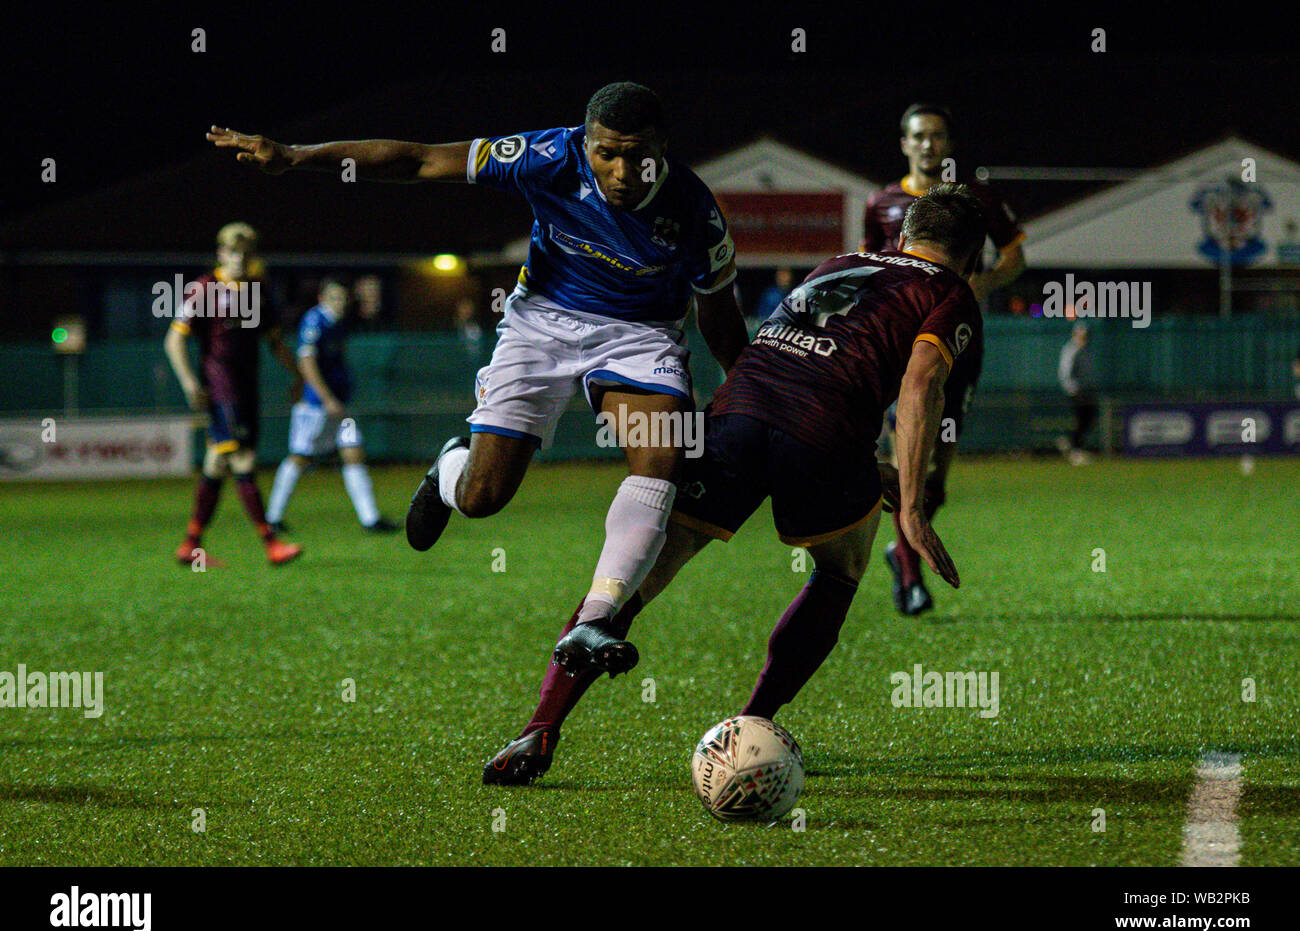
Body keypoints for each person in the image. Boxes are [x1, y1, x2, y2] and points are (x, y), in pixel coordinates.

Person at [208, 81, 747, 648]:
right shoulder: (548, 155)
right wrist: (296, 157)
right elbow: (420, 160)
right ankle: (449, 472)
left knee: (663, 453)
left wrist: (751, 395)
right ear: (585, 141)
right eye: (606, 152)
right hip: (541, 321)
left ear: (662, 146)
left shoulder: (695, 212)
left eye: (637, 154)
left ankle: (595, 618)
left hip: (639, 336)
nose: (620, 170)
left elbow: (719, 316)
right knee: (482, 499)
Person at [484, 184, 987, 784]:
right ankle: (747, 732)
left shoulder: (841, 263)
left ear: (903, 237)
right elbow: (921, 383)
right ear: (973, 257)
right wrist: (910, 505)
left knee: (633, 580)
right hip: (822, 439)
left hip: (735, 416)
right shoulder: (950, 292)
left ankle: (537, 730)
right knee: (840, 569)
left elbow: (803, 353)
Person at [862, 103, 1026, 617]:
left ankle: (900, 551)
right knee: (904, 455)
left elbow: (1016, 256)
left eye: (937, 136)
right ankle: (912, 580)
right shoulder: (882, 203)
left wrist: (984, 282)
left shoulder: (976, 198)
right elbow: (869, 263)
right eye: (918, 136)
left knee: (936, 477)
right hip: (900, 348)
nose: (928, 144)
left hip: (959, 342)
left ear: (949, 143)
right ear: (904, 143)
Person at [163, 222, 304, 566]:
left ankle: (190, 544)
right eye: (233, 251)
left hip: (247, 389)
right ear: (220, 253)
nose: (239, 258)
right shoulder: (204, 288)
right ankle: (271, 543)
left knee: (216, 462)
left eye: (245, 253)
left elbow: (274, 342)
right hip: (221, 389)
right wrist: (188, 381)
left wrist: (299, 376)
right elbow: (174, 339)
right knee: (243, 460)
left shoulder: (257, 289)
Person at [265, 277, 399, 533]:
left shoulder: (338, 323)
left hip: (338, 405)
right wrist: (325, 398)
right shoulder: (315, 321)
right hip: (317, 405)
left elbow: (366, 315)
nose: (340, 303)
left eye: (342, 298)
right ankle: (272, 517)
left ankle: (370, 519)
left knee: (353, 451)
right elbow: (306, 361)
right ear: (321, 299)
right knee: (300, 456)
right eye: (334, 298)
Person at [1057, 322, 1097, 464]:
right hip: (1077, 392)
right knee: (1081, 419)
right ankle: (1075, 450)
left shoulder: (1085, 349)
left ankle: (1069, 442)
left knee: (1089, 418)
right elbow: (1064, 372)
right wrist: (1072, 389)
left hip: (1086, 391)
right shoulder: (1071, 349)